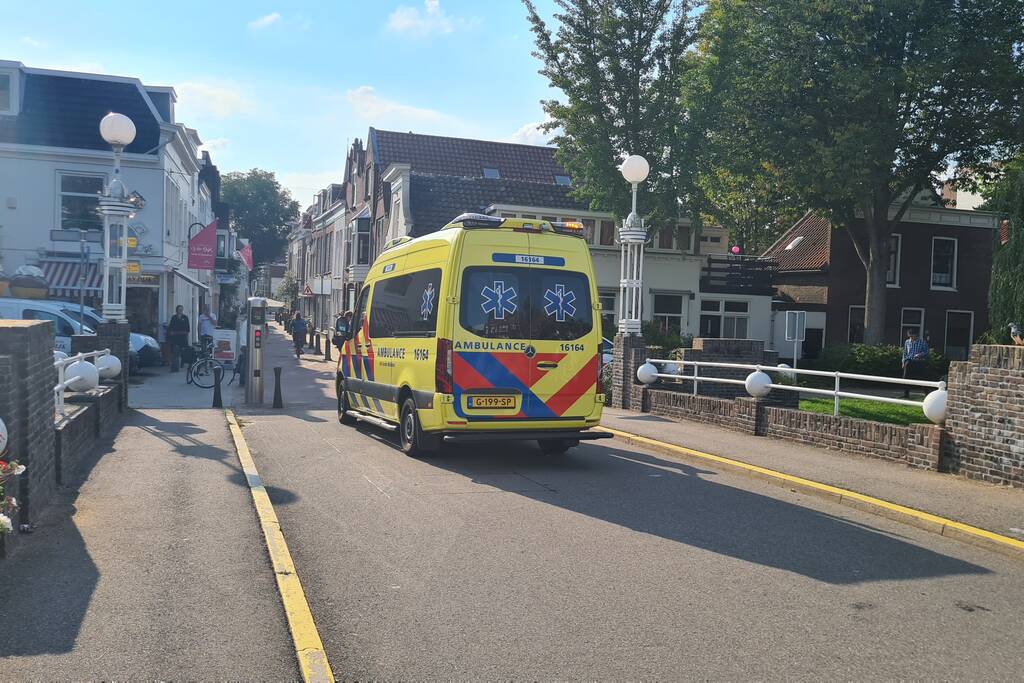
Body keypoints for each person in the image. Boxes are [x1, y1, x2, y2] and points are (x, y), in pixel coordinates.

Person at [902, 329, 929, 398]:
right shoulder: (907, 342)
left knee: (923, 378)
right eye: (910, 336)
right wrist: (903, 362)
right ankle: (906, 394)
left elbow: (927, 352)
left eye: (912, 336)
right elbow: (905, 353)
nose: (911, 338)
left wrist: (921, 354)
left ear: (916, 335)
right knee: (906, 378)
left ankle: (926, 394)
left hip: (919, 361)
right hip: (909, 362)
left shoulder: (922, 342)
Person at [166, 305, 190, 372]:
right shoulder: (174, 317)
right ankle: (175, 367)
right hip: (175, 338)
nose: (180, 310)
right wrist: (171, 333)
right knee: (175, 352)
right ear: (176, 310)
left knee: (183, 352)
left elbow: (187, 329)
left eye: (181, 309)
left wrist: (186, 336)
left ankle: (182, 363)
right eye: (179, 309)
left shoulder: (185, 318)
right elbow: (171, 327)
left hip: (183, 338)